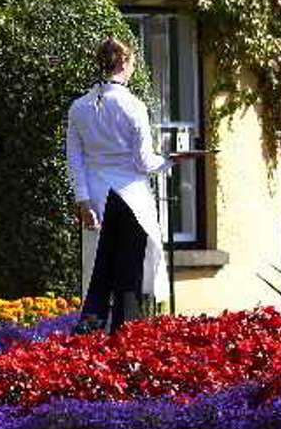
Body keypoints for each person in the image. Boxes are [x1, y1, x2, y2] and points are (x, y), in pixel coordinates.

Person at [65, 37, 199, 334]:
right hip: (131, 200)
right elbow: (143, 162)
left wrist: (83, 200)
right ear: (124, 63)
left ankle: (87, 342)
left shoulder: (79, 107)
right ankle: (126, 341)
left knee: (99, 275)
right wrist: (172, 160)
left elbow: (74, 158)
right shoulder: (132, 105)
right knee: (129, 275)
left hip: (98, 198)